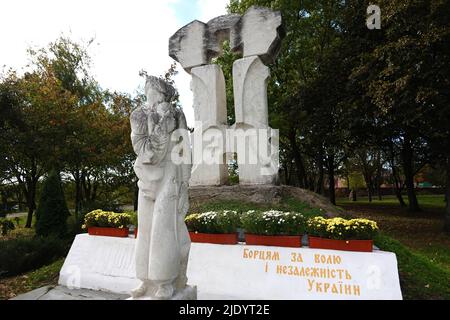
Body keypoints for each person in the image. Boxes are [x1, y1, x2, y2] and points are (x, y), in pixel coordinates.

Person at [130, 75, 191, 299]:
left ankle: (165, 282)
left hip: (170, 172)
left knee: (164, 229)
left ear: (163, 92)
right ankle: (145, 281)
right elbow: (142, 148)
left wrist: (185, 184)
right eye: (150, 88)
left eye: (155, 88)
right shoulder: (138, 114)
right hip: (147, 175)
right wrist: (162, 124)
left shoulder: (177, 114)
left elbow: (184, 150)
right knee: (145, 228)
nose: (151, 92)